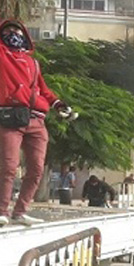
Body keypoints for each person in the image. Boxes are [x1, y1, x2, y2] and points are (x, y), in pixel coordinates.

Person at [0, 20, 73, 226]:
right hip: (11, 118)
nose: (13, 34)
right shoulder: (2, 56)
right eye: (8, 31)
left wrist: (58, 104)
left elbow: (43, 89)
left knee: (37, 169)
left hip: (37, 120)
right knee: (9, 166)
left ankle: (20, 211)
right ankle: (2, 211)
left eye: (17, 31)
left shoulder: (33, 63)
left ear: (24, 36)